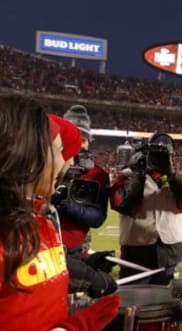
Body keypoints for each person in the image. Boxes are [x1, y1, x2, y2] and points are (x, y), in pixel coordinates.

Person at [0, 94, 124, 331]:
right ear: (29, 155)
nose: (67, 163)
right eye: (59, 150)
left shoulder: (41, 223)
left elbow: (38, 317)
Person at [110, 132, 182, 285]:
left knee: (167, 302)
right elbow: (124, 205)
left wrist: (171, 175)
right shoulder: (127, 175)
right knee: (133, 301)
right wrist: (138, 174)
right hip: (136, 252)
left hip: (169, 252)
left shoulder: (176, 177)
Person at [54, 104, 117, 298]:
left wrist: (67, 205)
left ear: (89, 141)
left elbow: (97, 217)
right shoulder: (46, 165)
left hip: (74, 250)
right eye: (72, 136)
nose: (79, 144)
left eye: (83, 139)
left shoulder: (97, 174)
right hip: (43, 248)